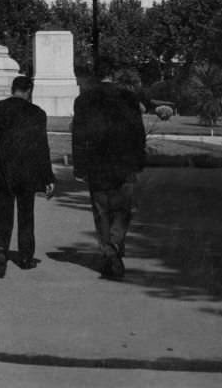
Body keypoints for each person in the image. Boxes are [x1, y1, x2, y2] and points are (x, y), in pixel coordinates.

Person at [72, 59, 147, 280]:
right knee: (123, 209)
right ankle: (114, 247)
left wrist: (79, 166)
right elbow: (138, 132)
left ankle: (109, 251)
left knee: (102, 210)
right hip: (124, 160)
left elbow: (79, 135)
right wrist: (139, 159)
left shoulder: (84, 99)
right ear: (113, 75)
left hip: (97, 162)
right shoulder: (128, 97)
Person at [0, 75, 55, 277]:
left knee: (1, 213)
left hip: (1, 169)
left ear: (13, 89)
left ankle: (0, 248)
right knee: (26, 214)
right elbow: (41, 148)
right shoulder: (37, 113)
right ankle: (26, 256)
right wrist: (48, 177)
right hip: (26, 171)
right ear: (29, 90)